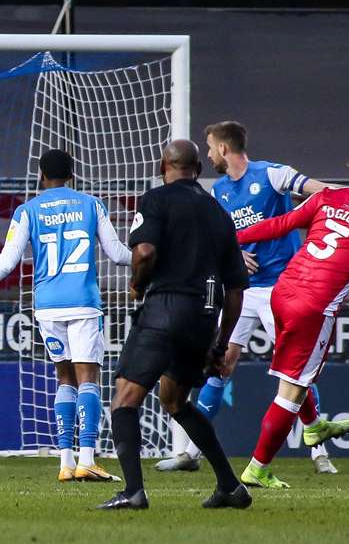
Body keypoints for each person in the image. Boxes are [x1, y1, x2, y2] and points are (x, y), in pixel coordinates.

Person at [158, 122, 341, 474]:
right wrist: (233, 253)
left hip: (283, 288)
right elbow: (212, 238)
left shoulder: (272, 174)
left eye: (210, 147)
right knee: (219, 362)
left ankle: (320, 453)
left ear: (225, 149)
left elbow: (322, 191)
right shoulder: (219, 192)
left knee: (295, 373)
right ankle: (192, 453)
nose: (208, 154)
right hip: (241, 289)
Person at [0, 148, 131, 482]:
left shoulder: (27, 211)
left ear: (41, 176)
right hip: (83, 303)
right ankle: (87, 458)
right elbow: (116, 254)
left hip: (47, 306)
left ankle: (65, 463)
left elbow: (6, 261)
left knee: (64, 378)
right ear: (72, 175)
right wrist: (151, 260)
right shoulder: (91, 205)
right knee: (88, 378)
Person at [236, 146, 349, 489]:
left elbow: (281, 224)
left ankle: (314, 427)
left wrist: (233, 238)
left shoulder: (331, 196)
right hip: (314, 306)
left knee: (297, 379)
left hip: (283, 292)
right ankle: (258, 468)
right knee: (292, 388)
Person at [101, 139, 252, 512]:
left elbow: (145, 251)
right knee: (174, 400)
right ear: (197, 170)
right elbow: (235, 290)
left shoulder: (156, 199)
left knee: (124, 398)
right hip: (203, 318)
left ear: (162, 167)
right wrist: (221, 343)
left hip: (166, 309)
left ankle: (133, 491)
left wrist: (137, 282)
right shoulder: (220, 213)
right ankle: (230, 486)